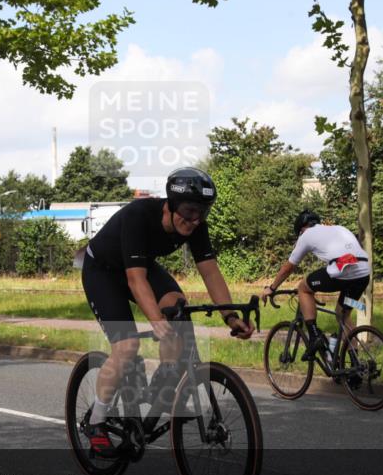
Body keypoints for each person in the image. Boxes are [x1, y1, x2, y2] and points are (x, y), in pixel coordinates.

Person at [81, 167, 254, 456]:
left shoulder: (196, 225)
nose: (194, 219)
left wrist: (230, 316)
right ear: (171, 205)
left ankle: (161, 385)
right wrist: (155, 320)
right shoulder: (139, 216)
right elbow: (136, 280)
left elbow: (210, 273)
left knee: (178, 309)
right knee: (127, 345)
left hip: (140, 266)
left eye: (202, 213)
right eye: (188, 211)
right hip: (103, 271)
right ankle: (97, 420)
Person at [261, 210, 371, 360]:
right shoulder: (338, 228)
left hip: (342, 269)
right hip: (363, 271)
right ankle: (355, 363)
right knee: (342, 314)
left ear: (301, 229)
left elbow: (288, 267)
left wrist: (272, 288)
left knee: (304, 289)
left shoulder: (306, 235)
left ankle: (314, 337)